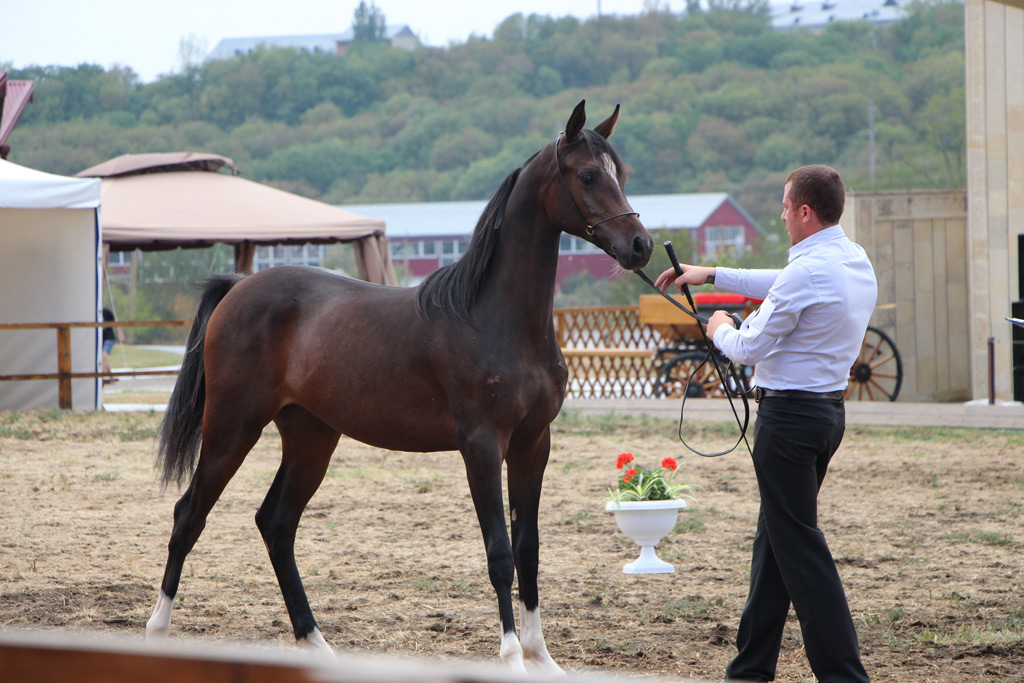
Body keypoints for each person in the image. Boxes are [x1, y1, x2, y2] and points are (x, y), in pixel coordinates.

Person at [655, 165, 875, 683]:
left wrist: (720, 327)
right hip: (824, 417)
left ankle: (845, 675)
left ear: (804, 211)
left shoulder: (809, 271)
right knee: (774, 541)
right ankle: (750, 669)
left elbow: (751, 347)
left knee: (797, 545)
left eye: (784, 206)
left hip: (789, 422)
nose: (780, 215)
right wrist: (710, 274)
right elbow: (783, 281)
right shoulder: (852, 258)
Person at [102, 307, 125, 384]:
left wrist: (121, 334)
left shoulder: (106, 311)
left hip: (109, 338)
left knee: (104, 356)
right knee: (104, 359)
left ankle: (100, 377)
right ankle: (111, 378)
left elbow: (116, 323)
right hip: (101, 339)